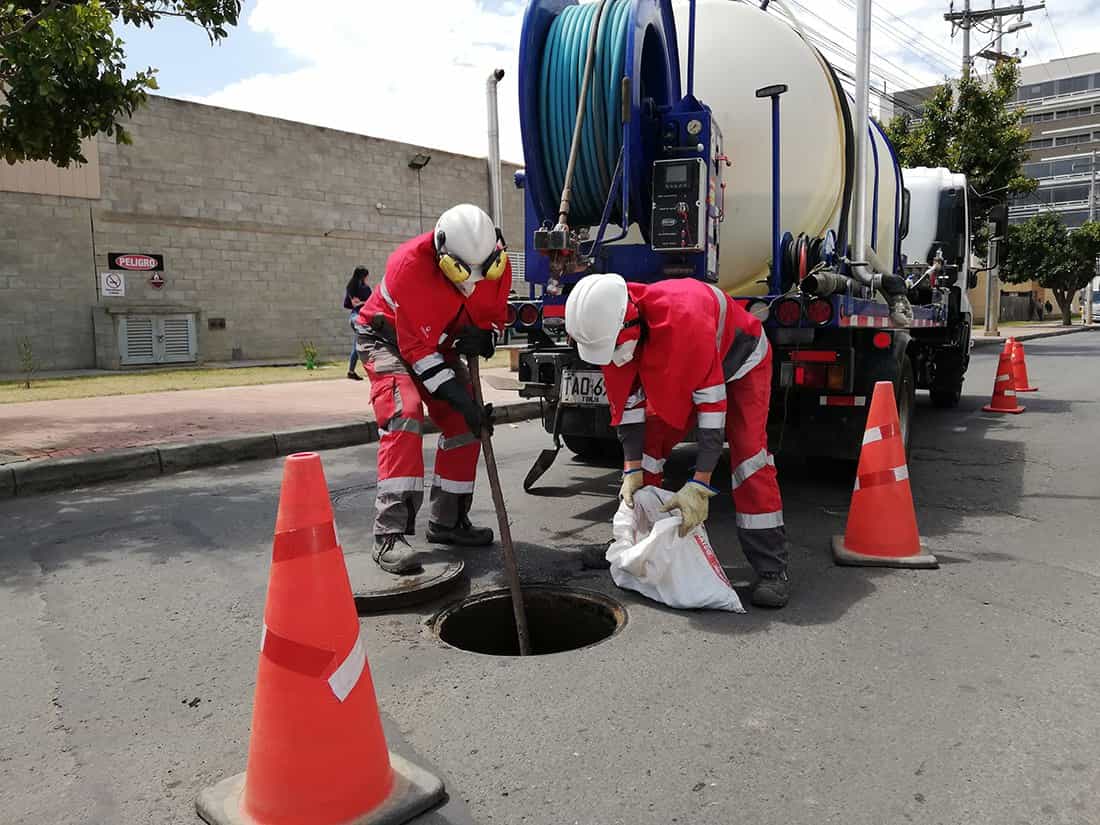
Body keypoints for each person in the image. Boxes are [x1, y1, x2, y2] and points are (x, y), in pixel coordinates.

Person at [565, 273, 790, 608]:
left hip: (741, 359)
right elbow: (628, 411)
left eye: (613, 349)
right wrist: (631, 471)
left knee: (748, 458)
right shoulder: (609, 336)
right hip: (684, 356)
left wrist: (700, 485)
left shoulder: (685, 325)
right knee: (650, 450)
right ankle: (634, 544)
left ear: (631, 325)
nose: (611, 358)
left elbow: (712, 418)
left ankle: (771, 568)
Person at [354, 204, 511, 574]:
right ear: (442, 252)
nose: (470, 282)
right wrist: (465, 401)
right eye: (459, 272)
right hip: (388, 339)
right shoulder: (409, 267)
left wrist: (485, 338)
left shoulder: (495, 263)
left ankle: (448, 522)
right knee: (404, 412)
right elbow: (420, 360)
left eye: (480, 272)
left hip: (439, 342)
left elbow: (494, 319)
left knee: (465, 425)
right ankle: (389, 533)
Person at [344, 266, 373, 380]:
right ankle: (372, 369)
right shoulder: (364, 288)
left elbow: (352, 304)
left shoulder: (351, 288)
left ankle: (351, 371)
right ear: (363, 276)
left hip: (355, 317)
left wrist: (360, 302)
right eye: (366, 276)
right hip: (360, 318)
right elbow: (369, 303)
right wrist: (365, 302)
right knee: (368, 344)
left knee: (357, 346)